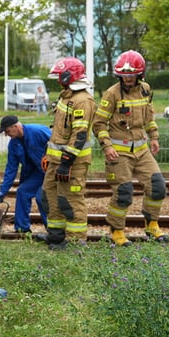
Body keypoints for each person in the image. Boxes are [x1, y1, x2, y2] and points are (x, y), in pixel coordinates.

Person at [92, 50, 168, 245]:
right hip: (119, 152)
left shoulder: (145, 90)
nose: (127, 78)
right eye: (124, 75)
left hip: (142, 149)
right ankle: (116, 231)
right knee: (124, 192)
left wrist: (154, 137)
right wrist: (107, 146)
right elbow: (99, 123)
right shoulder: (112, 93)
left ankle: (152, 225)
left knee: (158, 186)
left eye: (131, 75)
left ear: (139, 74)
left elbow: (149, 117)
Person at [41, 57, 97, 250]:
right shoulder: (67, 96)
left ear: (68, 76)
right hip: (56, 160)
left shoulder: (83, 100)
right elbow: (58, 131)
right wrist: (49, 156)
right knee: (50, 197)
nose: (58, 80)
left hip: (72, 162)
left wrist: (66, 162)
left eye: (60, 76)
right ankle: (56, 236)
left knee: (71, 201)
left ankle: (75, 242)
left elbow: (79, 136)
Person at [0, 115, 50, 235]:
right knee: (23, 192)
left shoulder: (38, 131)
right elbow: (11, 168)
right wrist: (3, 190)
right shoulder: (14, 144)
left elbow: (58, 142)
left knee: (41, 198)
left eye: (7, 131)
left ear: (15, 126)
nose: (6, 134)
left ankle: (53, 230)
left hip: (51, 171)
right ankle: (22, 229)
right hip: (38, 173)